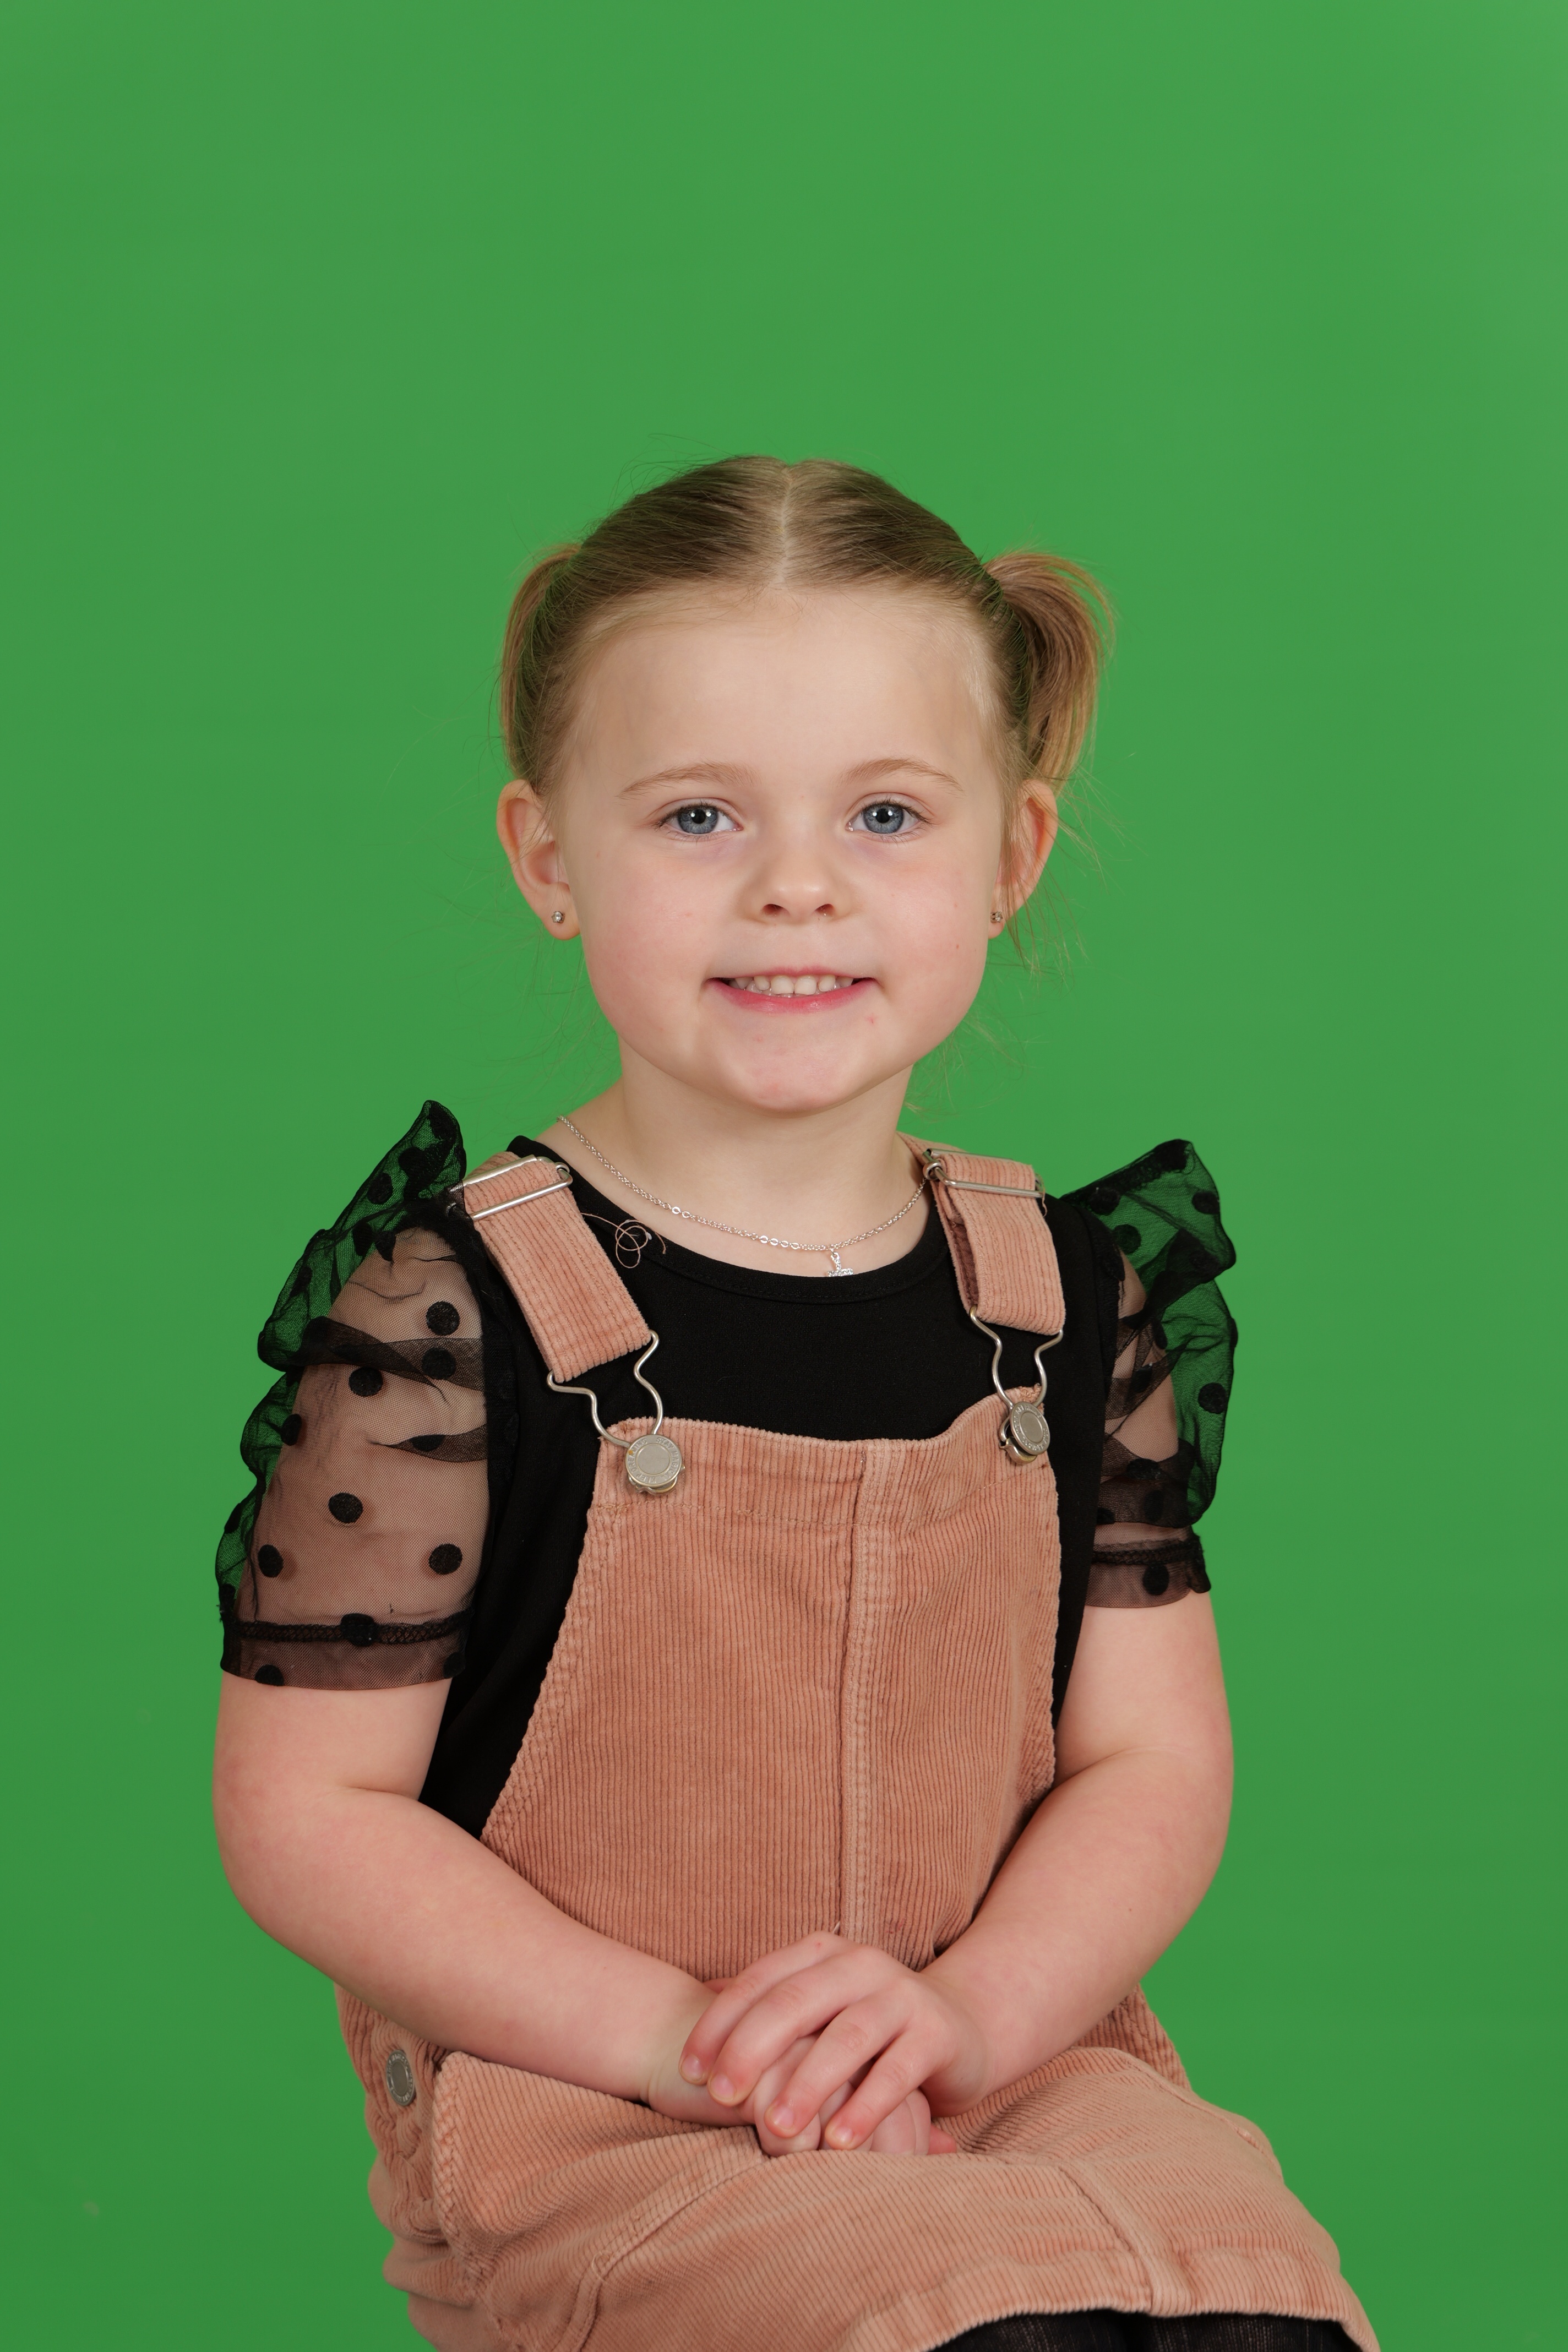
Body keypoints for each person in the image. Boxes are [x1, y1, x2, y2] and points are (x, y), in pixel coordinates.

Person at [211, 458, 1375, 2352]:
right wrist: (683, 2039)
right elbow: (308, 1809)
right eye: (698, 816)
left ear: (1013, 855)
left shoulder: (1069, 1299)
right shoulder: (450, 1314)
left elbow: (1153, 1766)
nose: (796, 886)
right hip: (604, 2110)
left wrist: (975, 2014)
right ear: (548, 858)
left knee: (1245, 2299)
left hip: (998, 2060)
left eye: (887, 813)